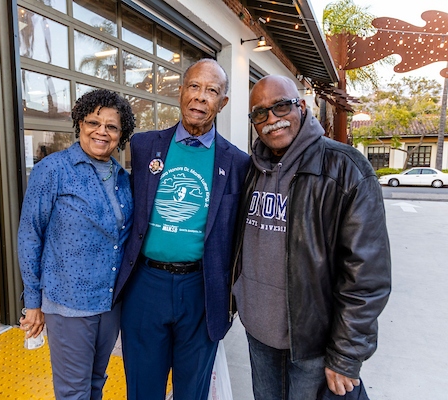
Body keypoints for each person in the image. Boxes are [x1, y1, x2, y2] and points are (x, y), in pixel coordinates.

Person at [232, 75, 391, 399]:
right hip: (258, 335)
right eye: (260, 113)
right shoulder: (251, 170)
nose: (271, 119)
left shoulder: (346, 169)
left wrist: (346, 354)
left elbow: (367, 276)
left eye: (281, 106)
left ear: (302, 107)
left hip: (313, 344)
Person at [113, 58, 251, 400]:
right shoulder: (144, 147)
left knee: (193, 391)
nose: (200, 97)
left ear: (223, 102)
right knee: (142, 389)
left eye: (211, 91)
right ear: (180, 93)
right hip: (145, 285)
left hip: (201, 290)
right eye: (194, 86)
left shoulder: (237, 162)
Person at [17, 88, 135, 400]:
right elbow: (30, 235)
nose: (101, 131)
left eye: (112, 126)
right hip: (69, 302)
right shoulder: (53, 170)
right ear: (80, 123)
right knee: (73, 391)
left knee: (96, 381)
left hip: (110, 302)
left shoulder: (122, 177)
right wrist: (33, 302)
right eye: (94, 122)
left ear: (121, 134)